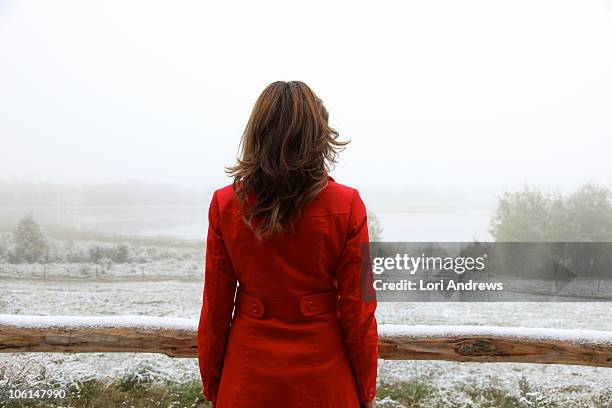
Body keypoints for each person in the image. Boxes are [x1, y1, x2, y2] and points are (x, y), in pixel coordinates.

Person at [197, 80, 378, 408]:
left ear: (258, 133)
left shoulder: (225, 205)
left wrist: (214, 385)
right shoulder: (349, 206)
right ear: (317, 136)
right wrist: (366, 391)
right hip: (327, 381)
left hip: (245, 378)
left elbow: (215, 310)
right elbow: (360, 313)